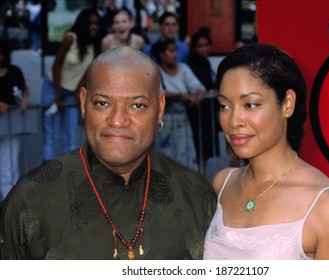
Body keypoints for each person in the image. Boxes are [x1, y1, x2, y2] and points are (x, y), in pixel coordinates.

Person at [0, 46, 216, 260]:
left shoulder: (196, 195)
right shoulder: (30, 199)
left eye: (137, 105)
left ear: (160, 108)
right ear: (84, 103)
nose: (117, 120)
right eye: (103, 103)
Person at [203, 43, 329, 260]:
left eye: (250, 105)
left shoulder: (325, 207)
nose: (234, 121)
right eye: (224, 106)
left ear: (287, 104)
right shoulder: (222, 184)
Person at [41, 8, 103, 160]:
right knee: (51, 136)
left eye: (96, 23)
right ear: (83, 24)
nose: (93, 26)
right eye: (90, 23)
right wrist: (57, 95)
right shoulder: (71, 38)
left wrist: (79, 91)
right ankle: (47, 177)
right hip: (52, 88)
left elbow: (87, 72)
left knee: (70, 136)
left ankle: (66, 174)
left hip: (71, 93)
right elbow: (56, 65)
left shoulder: (95, 44)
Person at [151, 38, 205, 171]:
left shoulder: (183, 68)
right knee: (164, 161)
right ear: (161, 54)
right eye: (171, 51)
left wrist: (198, 96)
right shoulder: (154, 70)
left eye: (176, 51)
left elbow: (197, 87)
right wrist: (180, 95)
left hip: (183, 123)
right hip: (162, 123)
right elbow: (155, 93)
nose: (175, 54)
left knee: (185, 159)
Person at [186, 28, 220, 173]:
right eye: (200, 46)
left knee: (206, 148)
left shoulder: (206, 63)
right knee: (198, 145)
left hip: (208, 112)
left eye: (206, 45)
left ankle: (202, 172)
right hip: (197, 112)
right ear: (194, 47)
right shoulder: (190, 65)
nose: (204, 49)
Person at [0, 39, 29, 205]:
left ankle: (9, 204)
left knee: (9, 166)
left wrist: (25, 98)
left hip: (12, 125)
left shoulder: (14, 71)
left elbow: (24, 88)